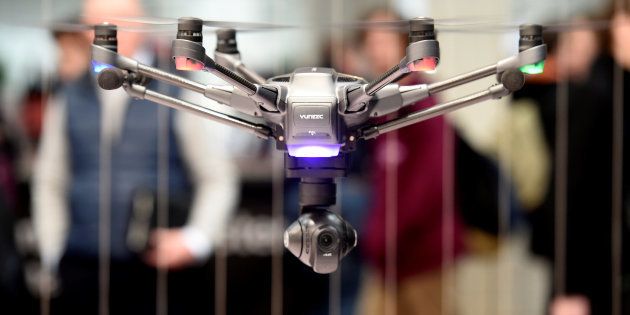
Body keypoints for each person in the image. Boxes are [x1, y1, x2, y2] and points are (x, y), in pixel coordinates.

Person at [32, 0, 238, 313]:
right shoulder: (69, 95)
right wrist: (52, 249)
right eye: (97, 24)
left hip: (158, 271)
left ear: (140, 23)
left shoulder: (177, 90)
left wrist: (195, 239)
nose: (109, 33)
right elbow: (50, 178)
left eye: (118, 22)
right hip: (82, 266)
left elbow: (216, 176)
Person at [353, 9, 465, 315]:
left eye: (385, 40)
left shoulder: (420, 103)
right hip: (390, 256)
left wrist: (382, 236)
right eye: (372, 42)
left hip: (422, 255)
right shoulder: (379, 107)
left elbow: (427, 184)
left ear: (404, 44)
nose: (378, 50)